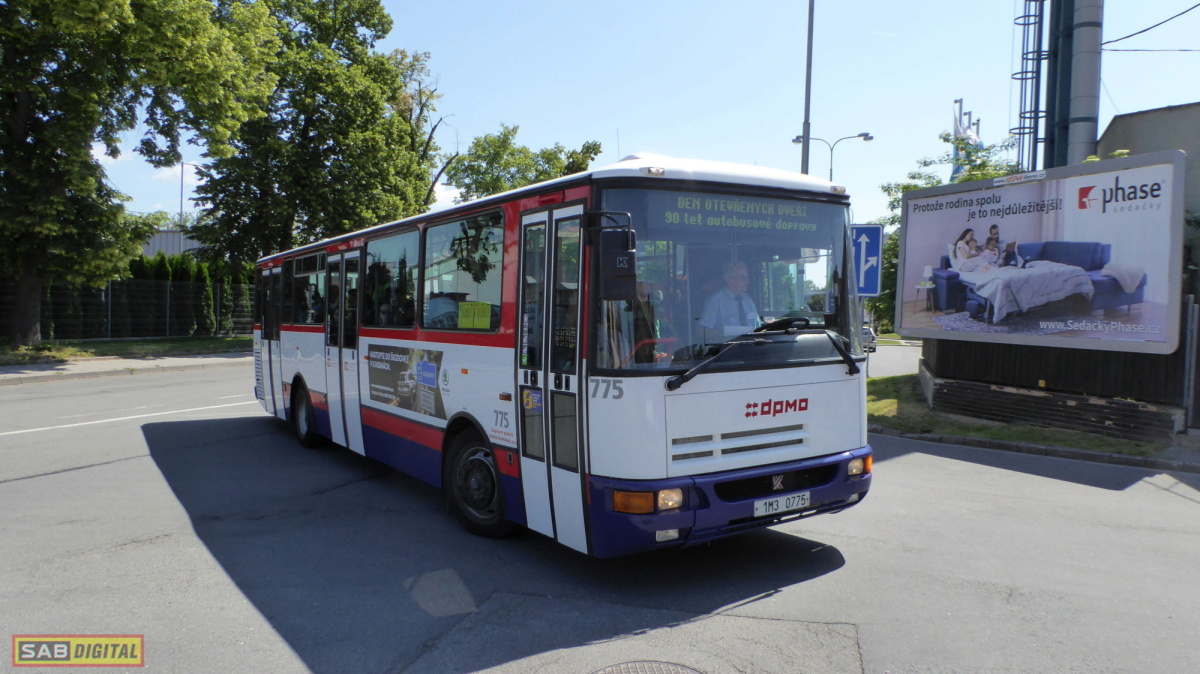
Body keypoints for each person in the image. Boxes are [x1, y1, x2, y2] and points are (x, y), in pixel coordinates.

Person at [699, 260, 760, 341]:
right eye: (743, 278)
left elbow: (758, 327)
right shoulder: (716, 300)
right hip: (727, 348)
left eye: (747, 278)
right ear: (729, 280)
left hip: (750, 347)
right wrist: (729, 332)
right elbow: (701, 331)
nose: (747, 282)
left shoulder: (748, 300)